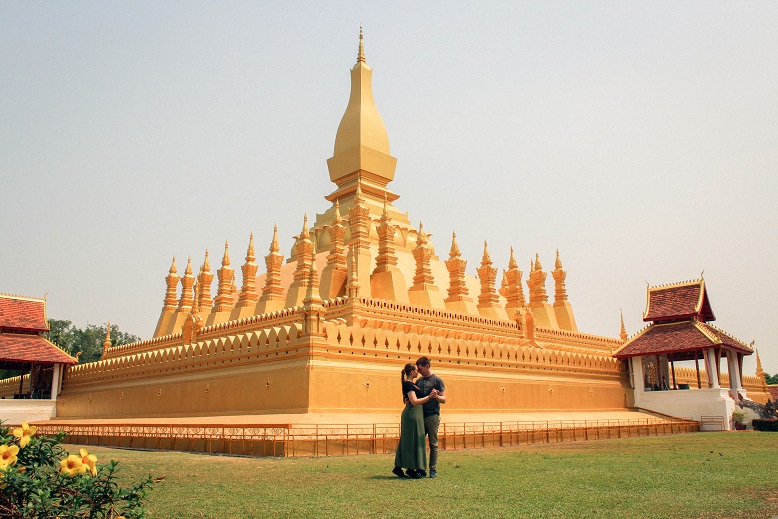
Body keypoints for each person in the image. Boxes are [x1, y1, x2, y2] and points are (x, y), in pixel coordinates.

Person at [393, 363, 436, 479]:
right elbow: (414, 401)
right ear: (412, 372)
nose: (418, 372)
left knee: (412, 440)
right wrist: (430, 397)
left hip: (416, 414)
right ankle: (410, 468)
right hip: (412, 414)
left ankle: (402, 467)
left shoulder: (412, 384)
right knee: (411, 440)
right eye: (416, 370)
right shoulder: (408, 384)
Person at [414, 356, 445, 478]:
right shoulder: (419, 382)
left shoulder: (437, 380)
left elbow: (444, 399)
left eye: (420, 369)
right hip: (420, 415)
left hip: (432, 415)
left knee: (433, 443)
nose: (419, 372)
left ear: (427, 366)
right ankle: (420, 468)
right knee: (419, 443)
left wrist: (436, 397)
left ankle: (433, 469)